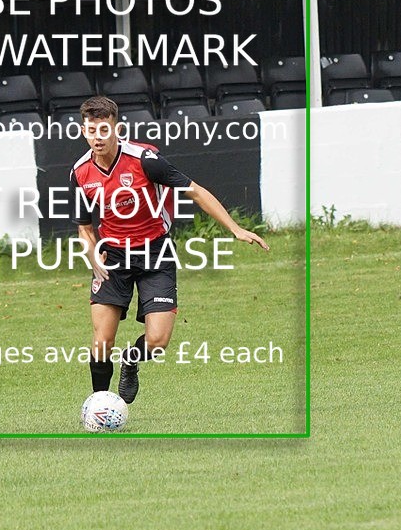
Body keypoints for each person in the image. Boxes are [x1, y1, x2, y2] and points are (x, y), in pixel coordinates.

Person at [69, 96, 269, 404]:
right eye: (92, 130)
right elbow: (85, 227)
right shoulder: (80, 173)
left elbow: (195, 191)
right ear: (84, 132)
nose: (99, 136)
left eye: (105, 129)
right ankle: (99, 406)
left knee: (158, 341)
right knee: (101, 342)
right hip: (113, 257)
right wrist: (93, 255)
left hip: (155, 252)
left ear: (116, 129)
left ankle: (131, 360)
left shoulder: (145, 160)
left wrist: (235, 228)